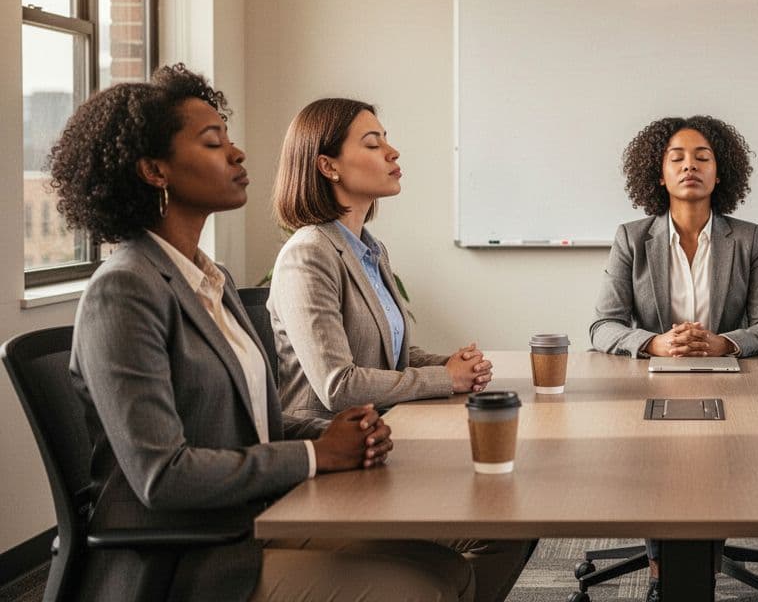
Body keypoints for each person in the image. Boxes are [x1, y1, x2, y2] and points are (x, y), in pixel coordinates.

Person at [51, 66, 472, 601]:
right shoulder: (125, 291)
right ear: (155, 169)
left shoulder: (210, 279)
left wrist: (338, 432)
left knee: (453, 570)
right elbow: (164, 475)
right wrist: (321, 454)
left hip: (257, 517)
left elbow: (251, 427)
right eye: (213, 142)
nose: (239, 153)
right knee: (424, 588)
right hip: (190, 558)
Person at [268, 97, 533, 602]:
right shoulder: (308, 253)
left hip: (384, 442)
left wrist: (450, 364)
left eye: (386, 138)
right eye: (373, 143)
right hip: (331, 462)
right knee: (502, 521)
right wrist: (445, 380)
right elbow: (338, 386)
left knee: (513, 518)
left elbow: (388, 354)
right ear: (327, 166)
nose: (392, 151)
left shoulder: (368, 249)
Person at [589, 115, 758, 601]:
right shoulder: (633, 238)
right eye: (676, 158)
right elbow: (602, 326)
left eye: (703, 157)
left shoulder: (747, 238)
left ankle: (695, 562)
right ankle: (665, 567)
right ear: (659, 174)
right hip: (652, 385)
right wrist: (654, 343)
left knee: (712, 457)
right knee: (663, 456)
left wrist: (725, 343)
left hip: (729, 385)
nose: (689, 166)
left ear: (721, 173)